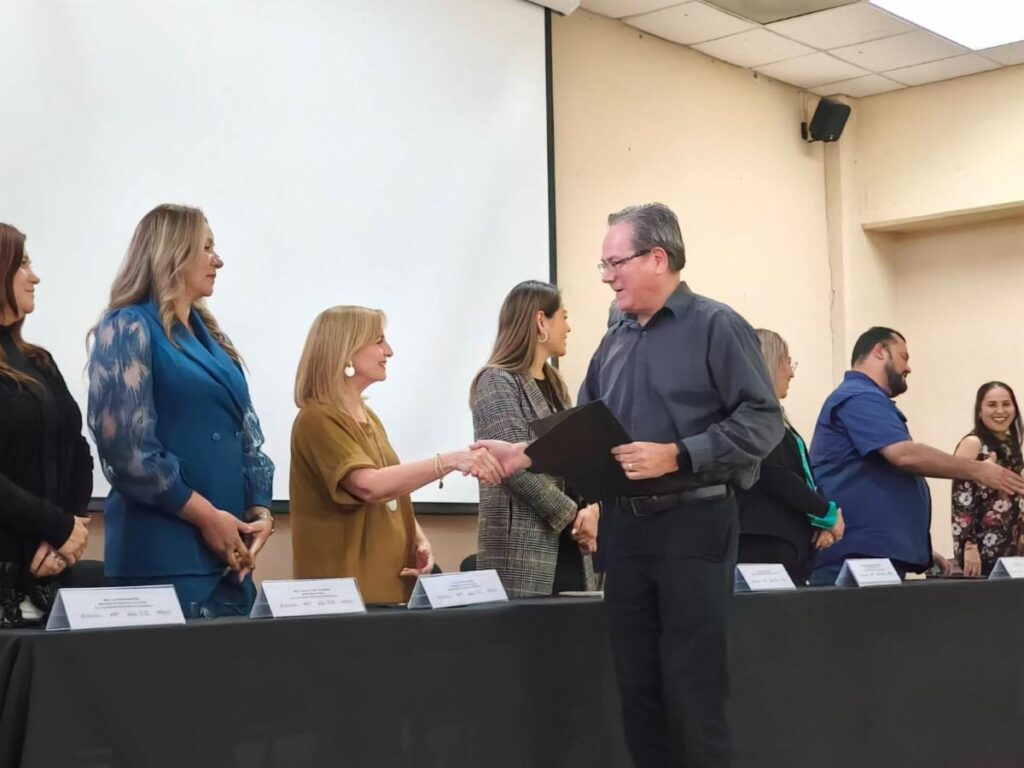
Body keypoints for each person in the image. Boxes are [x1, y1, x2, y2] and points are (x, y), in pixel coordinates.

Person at [479, 203, 782, 767]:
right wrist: (523, 455)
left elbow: (763, 422)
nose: (607, 277)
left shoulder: (716, 326)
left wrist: (677, 454)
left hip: (694, 524)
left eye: (615, 263)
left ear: (658, 259)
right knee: (638, 694)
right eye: (604, 265)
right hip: (626, 532)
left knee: (692, 693)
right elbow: (586, 427)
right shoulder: (614, 339)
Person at [88, 204, 275, 618]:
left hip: (230, 560)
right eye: (205, 247)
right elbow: (126, 451)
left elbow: (245, 434)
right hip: (162, 558)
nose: (218, 260)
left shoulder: (215, 339)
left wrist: (259, 511)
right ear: (171, 253)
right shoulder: (127, 326)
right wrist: (208, 518)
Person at [290, 306, 504, 604]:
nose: (388, 351)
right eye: (379, 341)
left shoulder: (369, 417)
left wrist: (417, 537)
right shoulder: (316, 420)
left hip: (390, 587)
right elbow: (369, 485)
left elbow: (392, 492)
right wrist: (450, 461)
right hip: (345, 597)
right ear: (347, 351)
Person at [808, 327, 1024, 586]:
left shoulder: (868, 399)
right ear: (880, 351)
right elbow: (904, 455)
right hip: (856, 556)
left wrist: (920, 548)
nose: (908, 367)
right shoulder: (859, 396)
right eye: (904, 357)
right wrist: (977, 470)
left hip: (873, 553)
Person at [470, 280, 598, 598]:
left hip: (570, 546)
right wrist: (574, 516)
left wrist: (592, 509)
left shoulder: (555, 383)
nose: (568, 327)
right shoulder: (496, 381)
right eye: (564, 317)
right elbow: (513, 468)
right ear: (542, 321)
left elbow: (572, 459)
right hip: (523, 550)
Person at [0, 224, 92, 626]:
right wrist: (55, 526)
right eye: (22, 264)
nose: (34, 277)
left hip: (50, 573)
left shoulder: (39, 361)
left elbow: (78, 450)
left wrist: (67, 533)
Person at [736, 330, 845, 584]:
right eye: (786, 361)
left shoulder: (773, 419)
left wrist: (820, 521)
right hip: (763, 547)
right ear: (768, 363)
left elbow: (800, 477)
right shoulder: (751, 417)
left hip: (787, 547)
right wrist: (825, 512)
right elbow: (774, 474)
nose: (791, 372)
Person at [951, 381, 1024, 576]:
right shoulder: (972, 443)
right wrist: (969, 545)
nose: (1000, 411)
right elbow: (960, 500)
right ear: (979, 411)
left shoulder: (1012, 446)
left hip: (1010, 548)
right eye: (992, 405)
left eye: (1006, 404)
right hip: (979, 548)